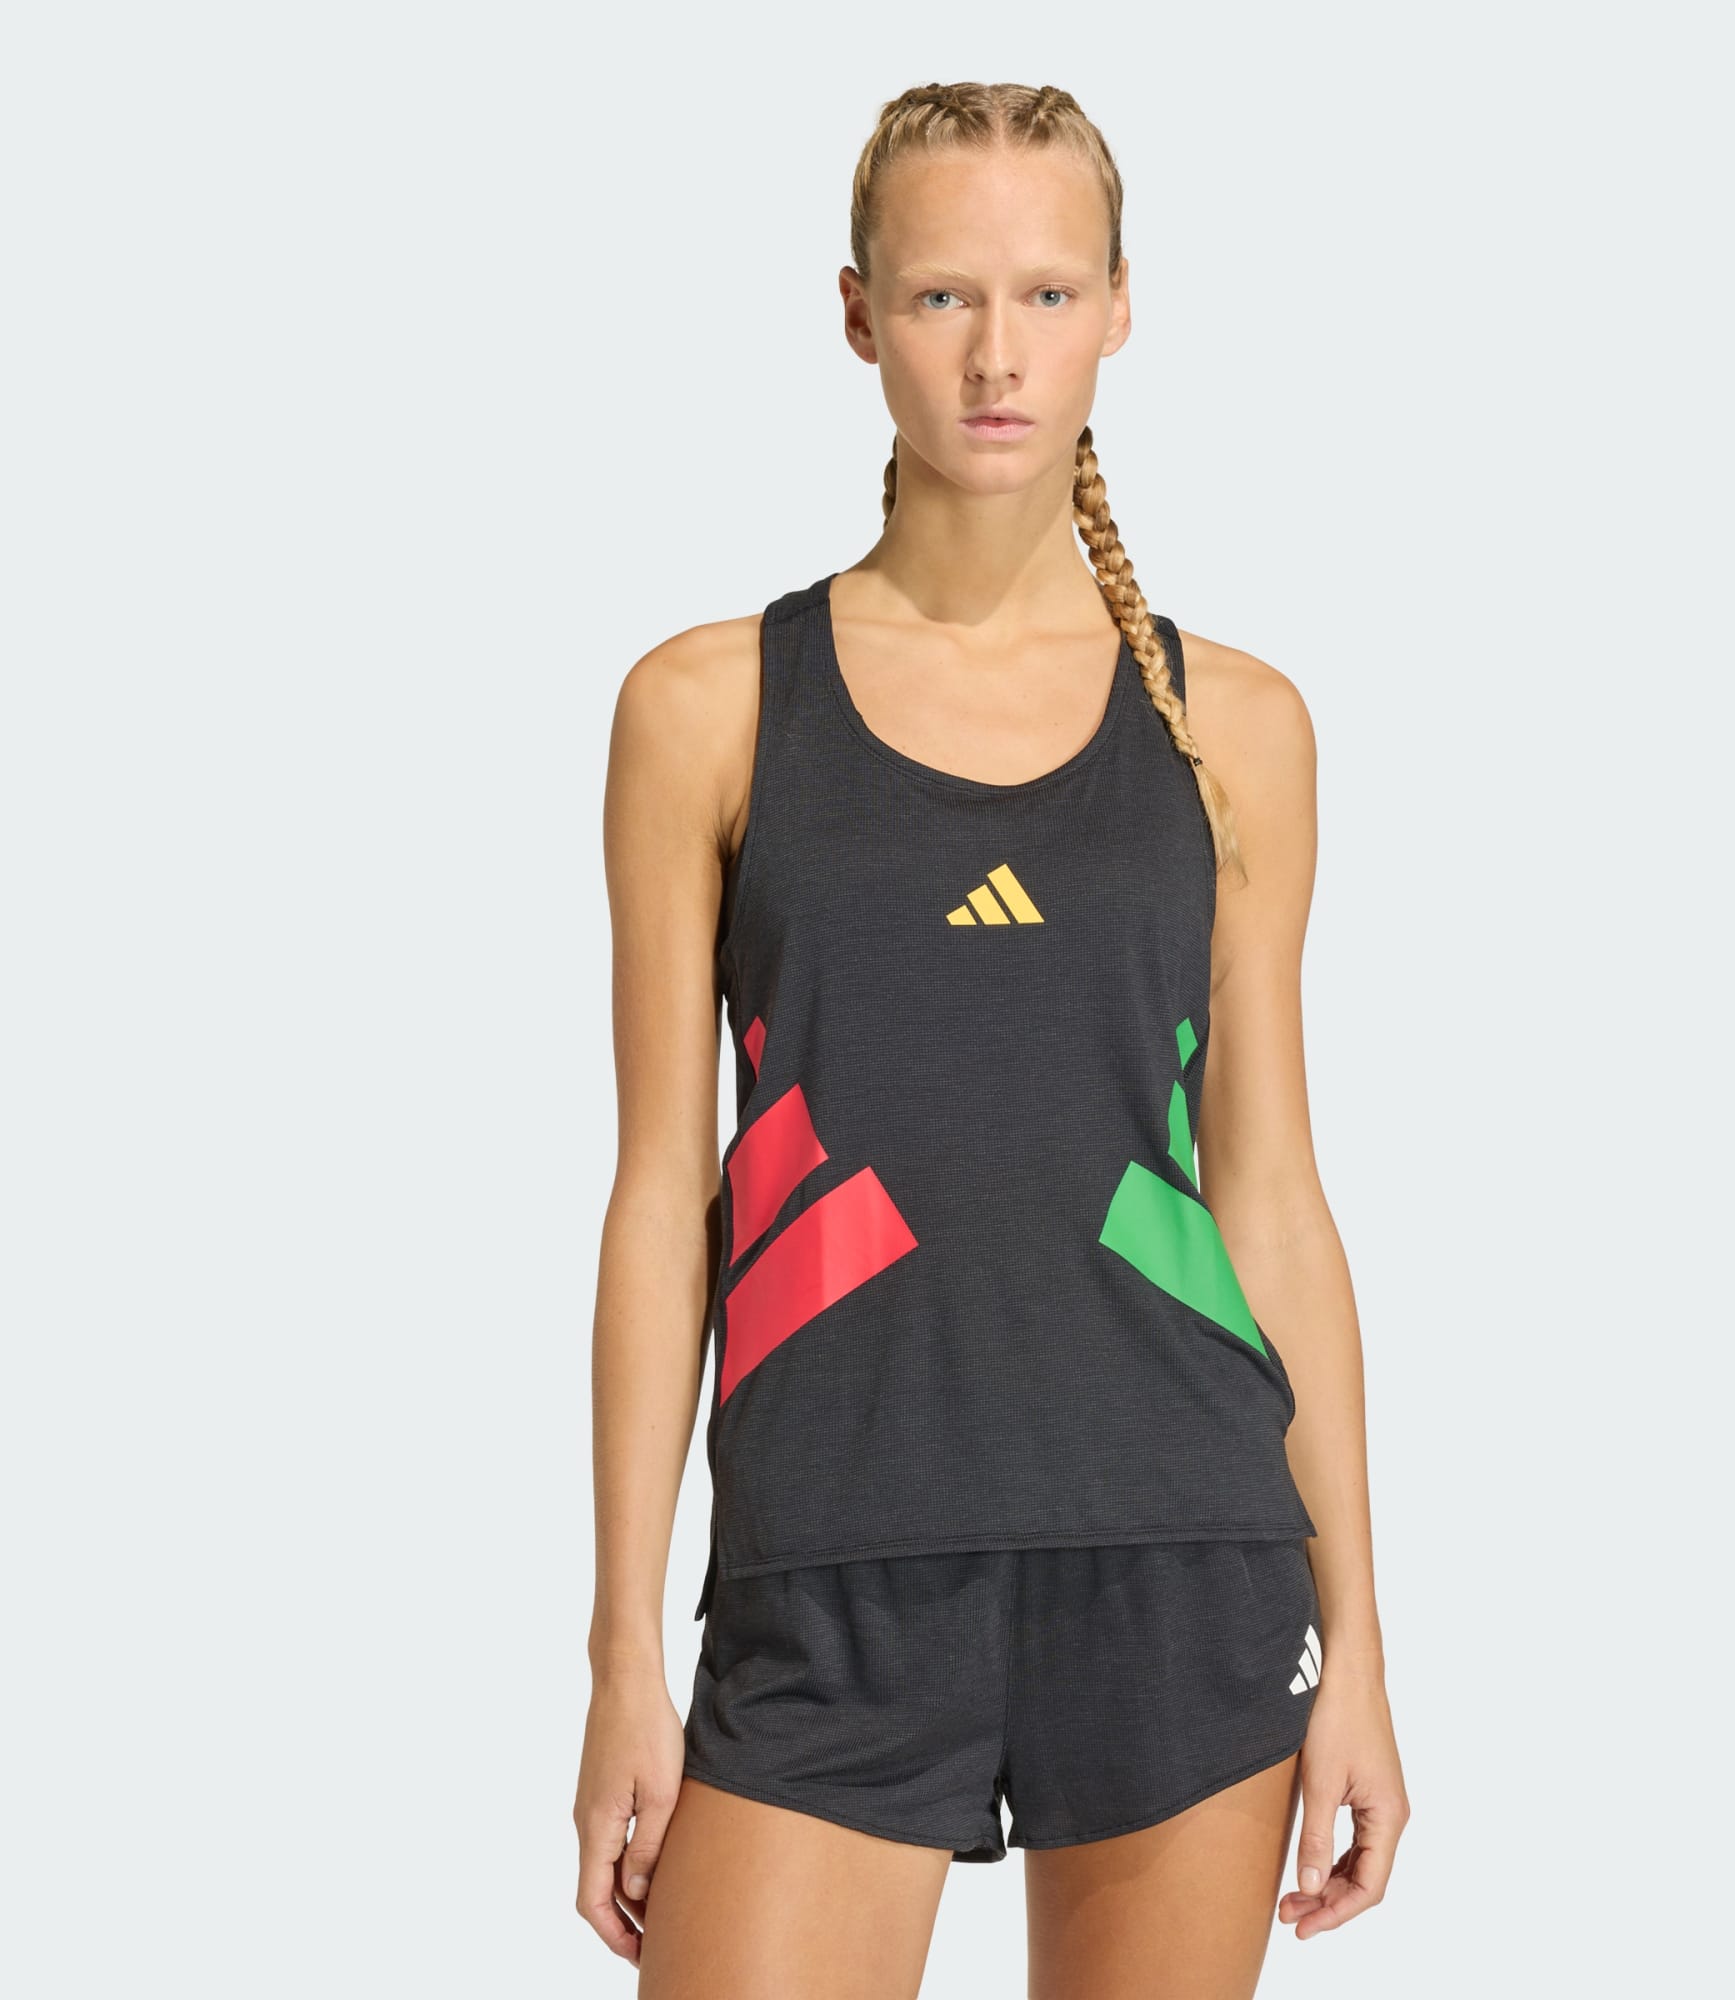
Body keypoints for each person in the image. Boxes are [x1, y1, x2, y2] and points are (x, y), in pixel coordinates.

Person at [573, 79, 1410, 1997]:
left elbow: (1272, 1200)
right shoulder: (709, 709)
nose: (997, 356)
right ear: (858, 313)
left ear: (1120, 308)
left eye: (1047, 294)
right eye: (945, 295)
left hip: (1183, 1558)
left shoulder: (1235, 728)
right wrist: (623, 1650)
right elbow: (660, 1200)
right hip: (828, 1571)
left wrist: (1359, 1637)